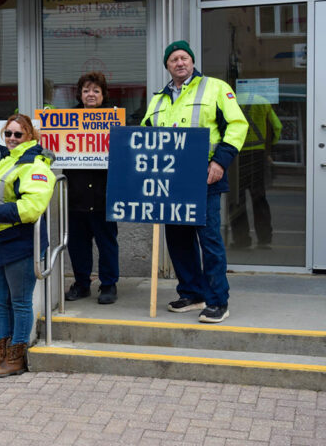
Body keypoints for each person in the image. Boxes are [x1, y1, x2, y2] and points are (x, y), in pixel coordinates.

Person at [141, 40, 248, 323]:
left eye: (184, 57)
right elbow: (145, 136)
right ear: (167, 65)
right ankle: (191, 292)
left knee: (209, 241)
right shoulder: (158, 99)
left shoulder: (215, 87)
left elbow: (237, 125)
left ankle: (217, 301)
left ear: (192, 61)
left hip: (205, 177)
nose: (180, 63)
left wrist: (220, 162)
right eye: (174, 59)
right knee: (178, 240)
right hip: (170, 182)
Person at [0, 114, 56, 377]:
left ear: (29, 136)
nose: (11, 138)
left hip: (21, 243)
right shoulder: (7, 161)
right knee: (0, 302)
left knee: (19, 302)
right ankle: (1, 357)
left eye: (17, 134)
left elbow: (33, 206)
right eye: (7, 133)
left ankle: (15, 359)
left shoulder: (35, 165)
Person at [63, 72, 120, 304]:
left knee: (107, 242)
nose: (91, 94)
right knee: (77, 244)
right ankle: (81, 283)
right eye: (86, 90)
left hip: (103, 193)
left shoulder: (114, 119)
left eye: (96, 90)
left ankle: (108, 285)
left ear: (103, 94)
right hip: (76, 193)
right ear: (80, 94)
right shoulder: (66, 120)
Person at [229, 92, 282, 250]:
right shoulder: (263, 101)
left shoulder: (231, 100)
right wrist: (269, 147)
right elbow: (277, 127)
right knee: (259, 198)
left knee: (236, 200)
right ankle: (264, 239)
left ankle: (241, 240)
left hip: (236, 155)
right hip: (257, 155)